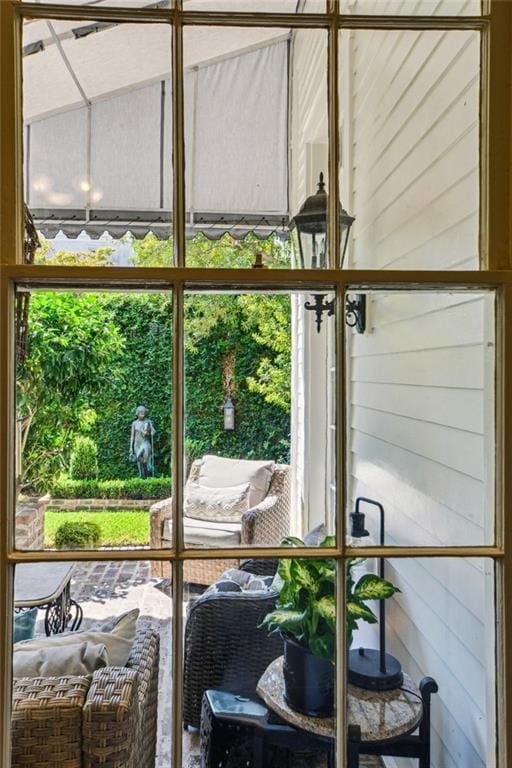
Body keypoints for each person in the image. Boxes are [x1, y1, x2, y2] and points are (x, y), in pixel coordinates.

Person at [129, 405, 156, 478]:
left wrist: (151, 431)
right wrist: (131, 448)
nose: (142, 414)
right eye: (141, 413)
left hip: (145, 443)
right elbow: (132, 436)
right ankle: (142, 476)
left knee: (146, 462)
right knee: (139, 462)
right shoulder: (134, 423)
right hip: (137, 444)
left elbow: (153, 432)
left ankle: (148, 475)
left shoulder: (148, 421)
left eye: (143, 413)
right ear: (137, 413)